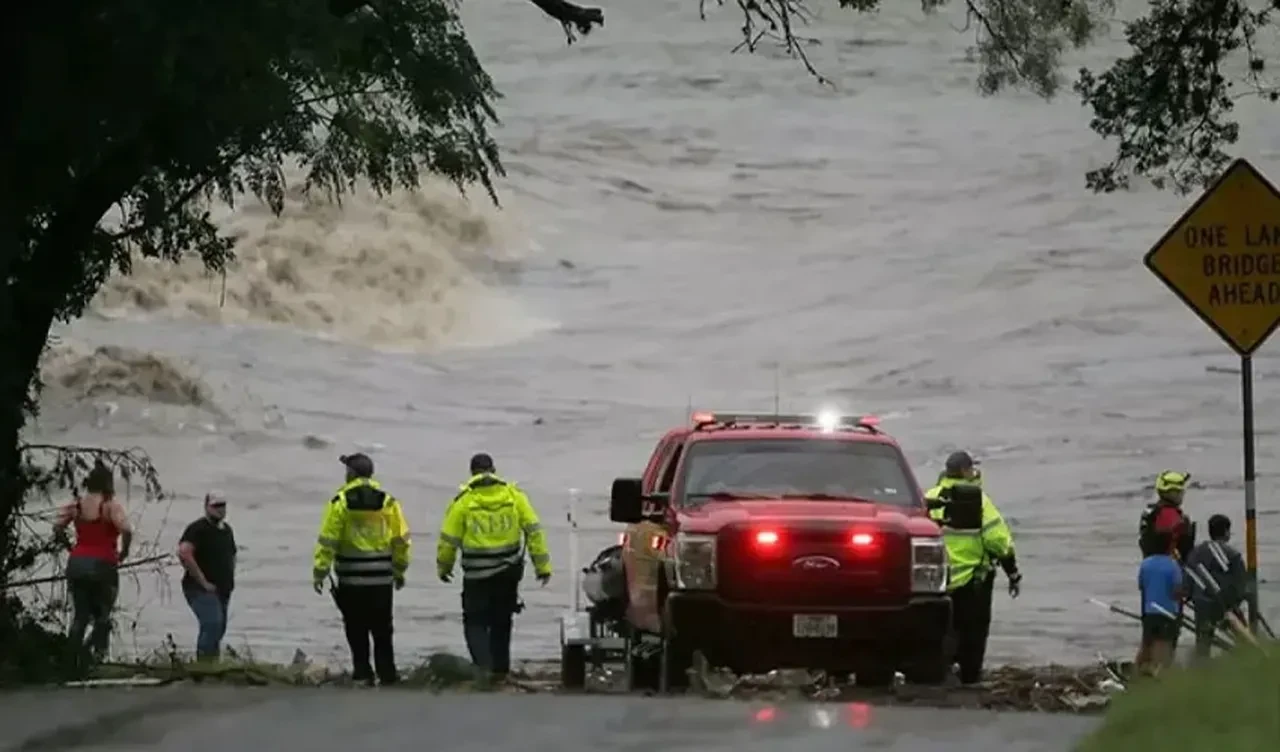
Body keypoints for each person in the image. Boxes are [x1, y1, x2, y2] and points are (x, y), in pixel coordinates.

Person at [437, 453, 552, 683]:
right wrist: (542, 566)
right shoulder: (514, 496)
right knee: (502, 621)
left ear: (472, 472)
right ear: (494, 469)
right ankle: (500, 671)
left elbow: (449, 540)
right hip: (508, 573)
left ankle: (484, 669)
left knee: (475, 622)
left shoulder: (463, 502)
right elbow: (534, 530)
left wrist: (444, 567)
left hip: (477, 575)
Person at [924, 451, 1021, 686]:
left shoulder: (929, 498)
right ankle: (969, 678)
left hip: (934, 582)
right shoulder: (979, 501)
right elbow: (998, 540)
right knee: (974, 635)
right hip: (972, 582)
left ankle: (934, 673)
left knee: (935, 633)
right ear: (966, 471)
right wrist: (1012, 571)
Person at [313, 453, 411, 686]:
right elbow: (401, 539)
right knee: (383, 629)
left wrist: (320, 571)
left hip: (351, 577)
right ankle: (388, 674)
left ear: (352, 474)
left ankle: (363, 673)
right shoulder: (388, 502)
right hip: (381, 577)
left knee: (355, 628)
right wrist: (399, 570)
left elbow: (328, 540)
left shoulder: (340, 502)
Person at [53, 463, 132, 663]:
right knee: (103, 617)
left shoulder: (77, 505)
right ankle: (96, 657)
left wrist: (69, 547)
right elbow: (126, 529)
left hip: (77, 563)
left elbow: (57, 527)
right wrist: (124, 552)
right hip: (103, 564)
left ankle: (70, 660)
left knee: (80, 617)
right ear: (108, 483)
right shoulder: (110, 506)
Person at [178, 492, 237, 661]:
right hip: (199, 588)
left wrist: (230, 578)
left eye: (222, 506)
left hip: (223, 588)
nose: (220, 510)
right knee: (212, 623)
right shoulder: (197, 529)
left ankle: (212, 663)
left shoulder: (227, 531)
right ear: (207, 507)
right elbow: (184, 553)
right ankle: (203, 663)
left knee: (219, 628)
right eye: (216, 506)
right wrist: (202, 581)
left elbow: (232, 555)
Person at [1184, 514, 1248, 659]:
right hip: (1224, 603)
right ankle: (1249, 659)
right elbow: (1240, 583)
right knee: (1243, 636)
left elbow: (1189, 575)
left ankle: (1201, 670)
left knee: (1203, 641)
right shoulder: (1232, 554)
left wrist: (1189, 595)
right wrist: (1237, 602)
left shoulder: (1196, 552)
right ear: (1226, 532)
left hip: (1202, 603)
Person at [1135, 530, 1183, 675]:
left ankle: (1136, 674)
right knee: (1164, 648)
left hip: (1149, 612)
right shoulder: (1173, 565)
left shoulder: (1146, 564)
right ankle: (1159, 677)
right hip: (1168, 612)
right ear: (1169, 546)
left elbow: (1141, 586)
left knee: (1146, 645)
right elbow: (1176, 592)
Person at [1139, 470, 1195, 561]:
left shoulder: (1150, 512)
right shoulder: (1171, 516)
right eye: (1179, 491)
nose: (1182, 494)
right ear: (1170, 492)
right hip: (1169, 567)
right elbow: (1183, 550)